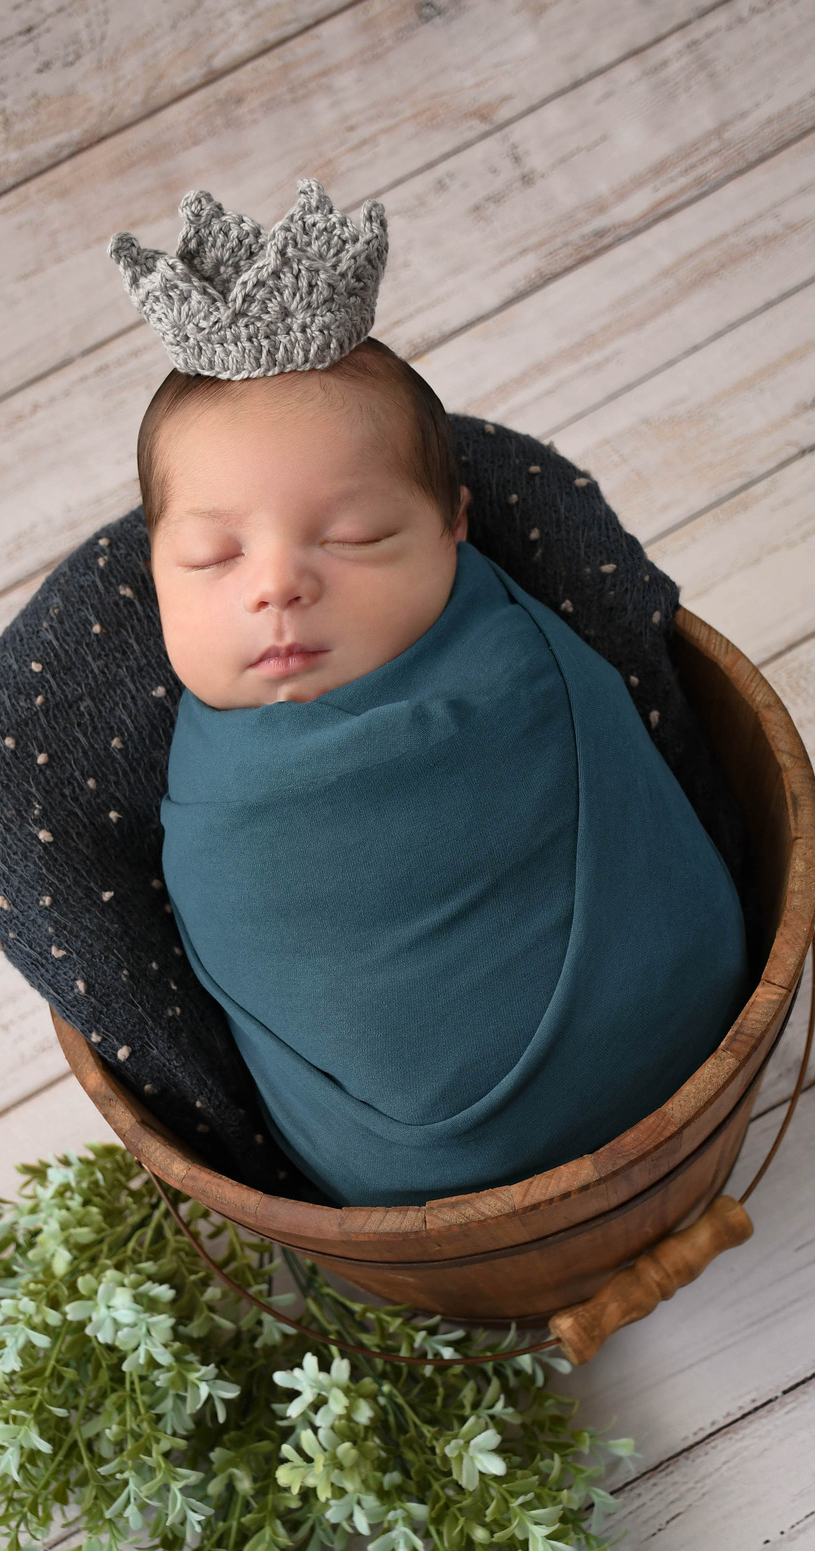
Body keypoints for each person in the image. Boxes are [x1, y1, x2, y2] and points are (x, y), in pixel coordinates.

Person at [106, 184, 748, 1208]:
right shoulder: (210, 779)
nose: (277, 586)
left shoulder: (510, 666)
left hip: (683, 1019)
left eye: (355, 537)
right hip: (411, 1183)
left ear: (455, 524)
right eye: (212, 557)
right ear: (153, 571)